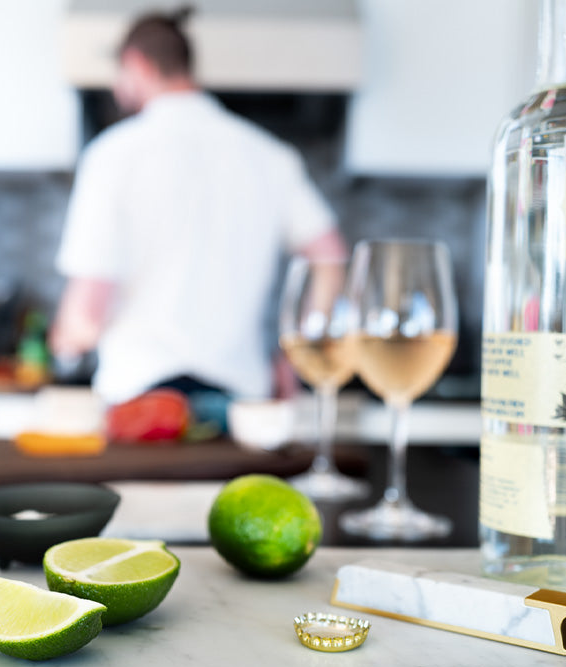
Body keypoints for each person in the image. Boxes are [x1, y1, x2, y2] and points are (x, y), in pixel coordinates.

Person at [48, 7, 348, 407]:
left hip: (142, 402)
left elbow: (86, 317)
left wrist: (63, 338)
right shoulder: (270, 156)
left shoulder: (112, 156)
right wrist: (297, 355)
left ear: (137, 65)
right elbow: (330, 254)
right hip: (239, 403)